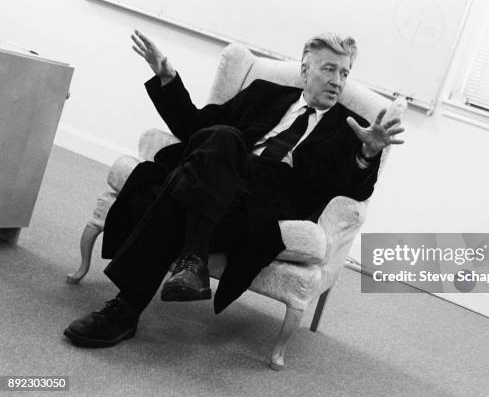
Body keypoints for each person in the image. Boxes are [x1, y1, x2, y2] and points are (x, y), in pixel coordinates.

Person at [64, 30, 404, 348]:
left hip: (260, 202)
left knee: (187, 180)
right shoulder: (263, 93)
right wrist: (166, 77)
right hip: (218, 181)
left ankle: (125, 308)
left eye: (344, 73)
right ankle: (185, 266)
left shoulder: (349, 130)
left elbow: (351, 190)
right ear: (305, 69)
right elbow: (195, 127)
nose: (337, 80)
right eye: (329, 69)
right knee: (222, 139)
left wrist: (367, 153)